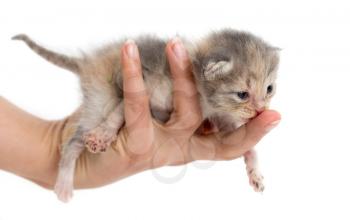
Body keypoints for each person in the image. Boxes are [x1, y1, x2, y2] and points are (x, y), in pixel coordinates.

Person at [0, 39, 281, 190]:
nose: (260, 107)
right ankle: (67, 161)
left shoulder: (211, 99)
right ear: (212, 74)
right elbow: (135, 102)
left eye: (269, 89)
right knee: (98, 119)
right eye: (243, 95)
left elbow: (238, 137)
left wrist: (252, 164)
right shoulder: (183, 84)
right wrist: (106, 130)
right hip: (108, 75)